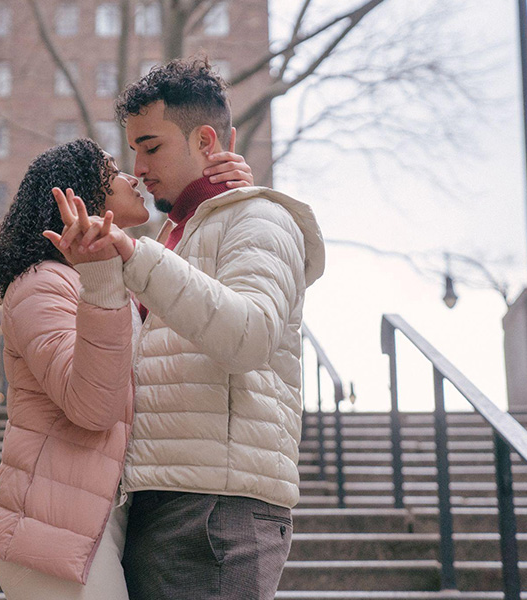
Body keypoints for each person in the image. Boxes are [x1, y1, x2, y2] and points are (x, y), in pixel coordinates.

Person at [48, 58, 326, 600]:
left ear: (204, 139)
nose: (139, 166)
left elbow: (250, 337)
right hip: (168, 500)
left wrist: (134, 254)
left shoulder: (259, 219)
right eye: (132, 150)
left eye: (151, 146)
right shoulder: (179, 234)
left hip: (215, 512)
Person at [0, 137, 254, 600]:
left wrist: (225, 197)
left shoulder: (103, 280)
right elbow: (92, 406)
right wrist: (103, 284)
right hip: (56, 537)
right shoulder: (42, 284)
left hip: (96, 525)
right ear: (82, 193)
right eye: (112, 168)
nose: (132, 175)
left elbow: (185, 291)